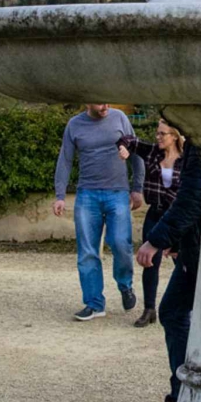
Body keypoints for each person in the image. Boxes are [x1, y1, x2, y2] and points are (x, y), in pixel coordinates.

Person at [53, 104, 145, 322]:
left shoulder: (120, 118)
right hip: (87, 195)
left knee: (121, 243)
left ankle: (125, 285)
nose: (104, 106)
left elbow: (136, 151)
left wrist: (137, 188)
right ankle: (94, 304)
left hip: (118, 193)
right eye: (99, 103)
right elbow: (65, 159)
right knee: (87, 252)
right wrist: (60, 195)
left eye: (106, 102)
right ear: (87, 102)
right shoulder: (75, 125)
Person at [136, 139, 201, 402]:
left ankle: (186, 395)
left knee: (175, 312)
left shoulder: (200, 142)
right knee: (176, 312)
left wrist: (156, 240)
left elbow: (190, 201)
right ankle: (187, 393)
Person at [118, 120, 187, 328]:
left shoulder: (186, 160)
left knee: (183, 262)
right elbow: (127, 139)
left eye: (162, 134)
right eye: (157, 133)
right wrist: (123, 148)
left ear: (174, 136)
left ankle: (187, 308)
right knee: (149, 262)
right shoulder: (152, 152)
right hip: (155, 214)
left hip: (176, 217)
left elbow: (185, 192)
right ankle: (149, 309)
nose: (158, 137)